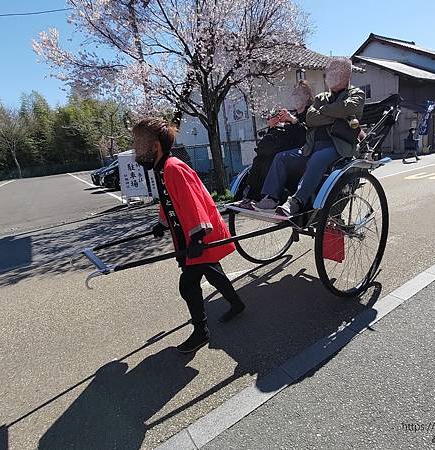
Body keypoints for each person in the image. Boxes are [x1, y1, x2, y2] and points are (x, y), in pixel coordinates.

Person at [132, 118, 245, 354]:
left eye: (140, 143)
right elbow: (170, 201)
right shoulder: (163, 168)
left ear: (155, 146)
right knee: (213, 273)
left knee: (188, 285)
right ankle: (236, 304)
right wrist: (162, 224)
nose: (137, 149)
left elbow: (194, 203)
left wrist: (197, 237)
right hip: (191, 235)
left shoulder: (173, 167)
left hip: (200, 234)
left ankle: (201, 332)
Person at [254, 57, 365, 216]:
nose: (332, 74)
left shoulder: (356, 94)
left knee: (317, 159)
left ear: (347, 74)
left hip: (338, 146)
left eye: (337, 71)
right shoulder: (321, 98)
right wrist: (338, 114)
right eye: (330, 71)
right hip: (311, 146)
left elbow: (349, 107)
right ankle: (271, 198)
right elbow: (311, 118)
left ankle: (296, 201)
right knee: (281, 157)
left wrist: (326, 112)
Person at [237, 81, 313, 207]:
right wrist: (273, 126)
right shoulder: (293, 114)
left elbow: (306, 135)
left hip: (304, 150)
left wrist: (293, 121)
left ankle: (269, 198)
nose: (294, 96)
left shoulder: (311, 113)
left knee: (274, 158)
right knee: (260, 158)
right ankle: (250, 196)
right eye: (293, 93)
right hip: (288, 148)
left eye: (298, 93)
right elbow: (284, 135)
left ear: (306, 96)